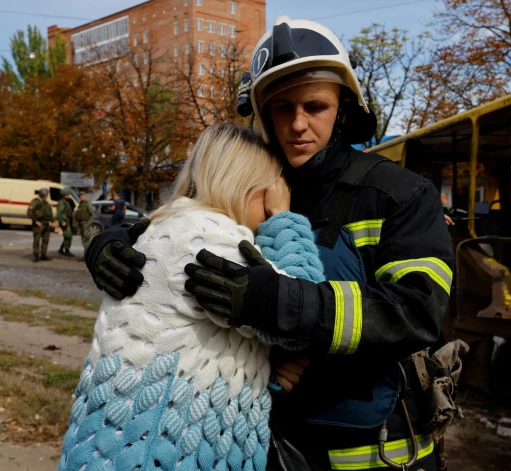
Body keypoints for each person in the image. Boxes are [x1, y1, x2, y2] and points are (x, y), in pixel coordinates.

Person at [84, 16, 453, 471]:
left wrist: (282, 304)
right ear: (262, 114)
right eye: (283, 108)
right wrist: (110, 242)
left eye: (315, 106)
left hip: (374, 450)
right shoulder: (253, 185)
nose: (298, 124)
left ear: (343, 107)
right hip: (261, 442)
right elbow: (185, 221)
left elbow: (418, 312)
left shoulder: (400, 194)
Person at [59, 123, 325, 471]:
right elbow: (304, 310)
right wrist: (284, 219)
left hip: (118, 450)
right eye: (272, 190)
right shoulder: (207, 239)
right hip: (154, 454)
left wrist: (265, 368)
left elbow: (203, 343)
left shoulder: (169, 227)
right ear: (248, 186)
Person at [27, 188, 53, 263]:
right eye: (47, 194)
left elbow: (48, 213)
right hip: (39, 224)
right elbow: (29, 212)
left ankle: (44, 254)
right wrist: (36, 221)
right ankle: (36, 255)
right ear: (44, 195)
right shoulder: (35, 202)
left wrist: (52, 221)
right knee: (37, 240)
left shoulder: (46, 203)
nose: (47, 196)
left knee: (45, 240)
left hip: (46, 223)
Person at [74, 190, 95, 258]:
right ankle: (86, 255)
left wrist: (89, 223)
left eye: (83, 196)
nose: (82, 197)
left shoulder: (87, 204)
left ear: (85, 196)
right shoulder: (81, 204)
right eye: (80, 196)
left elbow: (92, 214)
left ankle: (87, 255)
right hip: (81, 223)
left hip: (86, 223)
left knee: (86, 239)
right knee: (83, 239)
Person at [57, 189, 75, 257]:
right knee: (68, 236)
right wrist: (62, 221)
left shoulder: (67, 201)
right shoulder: (62, 203)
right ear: (63, 195)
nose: (68, 196)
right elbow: (59, 213)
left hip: (68, 220)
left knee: (67, 236)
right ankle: (67, 250)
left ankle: (61, 249)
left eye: (68, 194)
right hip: (65, 221)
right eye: (67, 195)